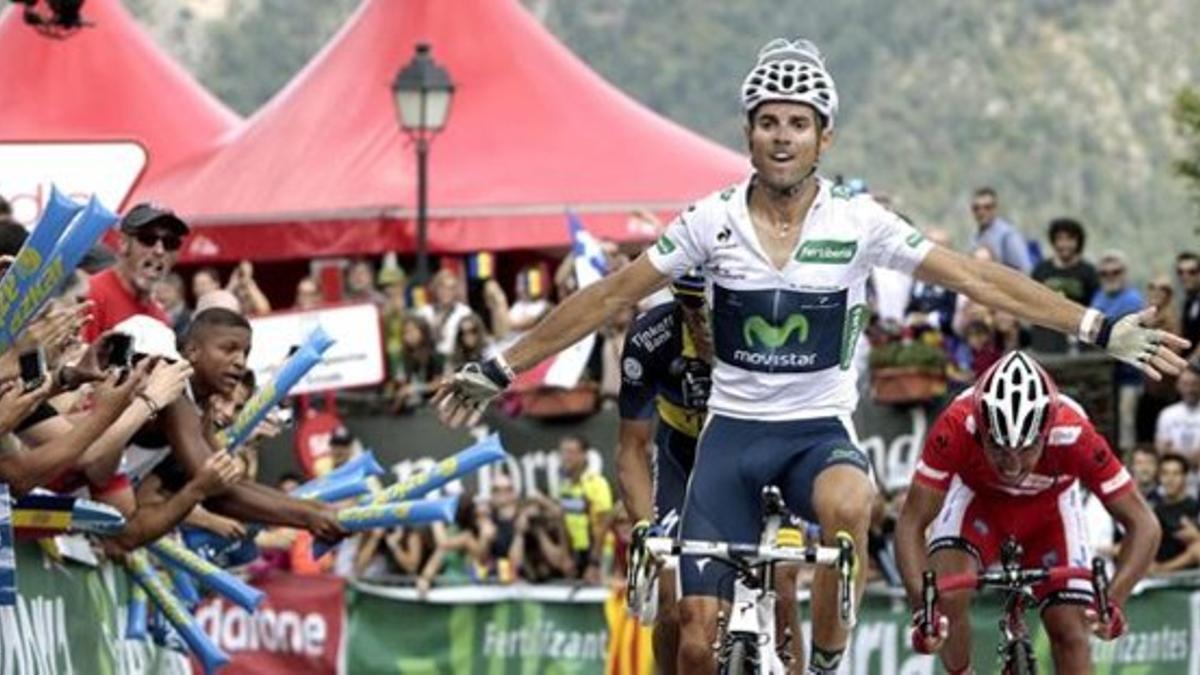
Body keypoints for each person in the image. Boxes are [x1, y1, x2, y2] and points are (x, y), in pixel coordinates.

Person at [434, 37, 1188, 675]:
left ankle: (827, 658)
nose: (783, 136)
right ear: (749, 134)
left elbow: (976, 275)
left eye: (799, 122)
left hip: (817, 436)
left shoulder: (859, 223)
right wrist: (503, 362)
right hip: (729, 441)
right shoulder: (710, 221)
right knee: (694, 638)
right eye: (768, 122)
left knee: (850, 505)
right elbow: (608, 296)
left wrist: (1096, 325)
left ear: (824, 136)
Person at [896, 352, 1160, 675]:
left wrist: (1113, 601)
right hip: (979, 504)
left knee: (1071, 633)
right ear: (980, 429)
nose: (1013, 464)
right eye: (998, 448)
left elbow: (1144, 524)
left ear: (1047, 432)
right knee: (948, 598)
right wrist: (924, 611)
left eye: (1027, 448)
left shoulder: (1075, 434)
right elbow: (911, 523)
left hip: (1049, 515)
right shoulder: (956, 425)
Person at [83, 203, 188, 341]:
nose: (159, 251)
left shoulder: (160, 320)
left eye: (170, 242)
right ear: (123, 243)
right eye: (148, 238)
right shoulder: (92, 296)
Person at [1092, 250, 1146, 451]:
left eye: (1115, 272)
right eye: (1105, 273)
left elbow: (1113, 330)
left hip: (1128, 374)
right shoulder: (1098, 296)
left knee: (1126, 421)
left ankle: (1128, 462)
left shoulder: (1132, 299)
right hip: (1102, 371)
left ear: (1124, 272)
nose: (1110, 276)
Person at [1029, 218, 1099, 353]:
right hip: (1046, 338)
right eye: (1060, 239)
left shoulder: (1088, 271)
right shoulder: (1042, 270)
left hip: (1079, 337)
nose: (1064, 244)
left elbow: (1095, 306)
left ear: (1078, 242)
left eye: (1070, 239)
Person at [557, 434, 613, 585]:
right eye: (563, 452)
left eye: (571, 452)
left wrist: (594, 562)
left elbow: (603, 525)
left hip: (599, 553)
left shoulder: (597, 483)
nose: (566, 457)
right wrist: (565, 555)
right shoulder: (564, 486)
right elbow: (563, 521)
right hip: (577, 553)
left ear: (584, 455)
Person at [1149, 453, 1200, 573]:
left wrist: (1196, 536)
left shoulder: (1196, 508)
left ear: (1185, 477)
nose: (1170, 479)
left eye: (1176, 474)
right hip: (1157, 580)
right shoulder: (1153, 511)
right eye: (1165, 473)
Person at [969, 187, 1031, 274]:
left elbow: (1024, 269)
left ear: (995, 208)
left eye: (987, 207)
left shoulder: (1007, 235)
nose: (981, 212)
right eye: (976, 208)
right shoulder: (976, 236)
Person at [416, 269, 473, 357]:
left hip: (455, 359)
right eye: (442, 287)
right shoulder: (424, 312)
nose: (446, 292)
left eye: (450, 288)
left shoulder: (464, 312)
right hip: (429, 361)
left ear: (455, 291)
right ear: (435, 289)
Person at [1155, 360, 1200, 465]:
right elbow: (1162, 449)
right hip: (1174, 470)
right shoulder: (1167, 414)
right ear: (1178, 386)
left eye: (1194, 384)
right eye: (1185, 384)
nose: (1190, 389)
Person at [1178, 252, 1200, 355]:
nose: (1185, 276)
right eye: (1180, 272)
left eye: (1192, 272)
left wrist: (1189, 366)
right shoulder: (1188, 301)